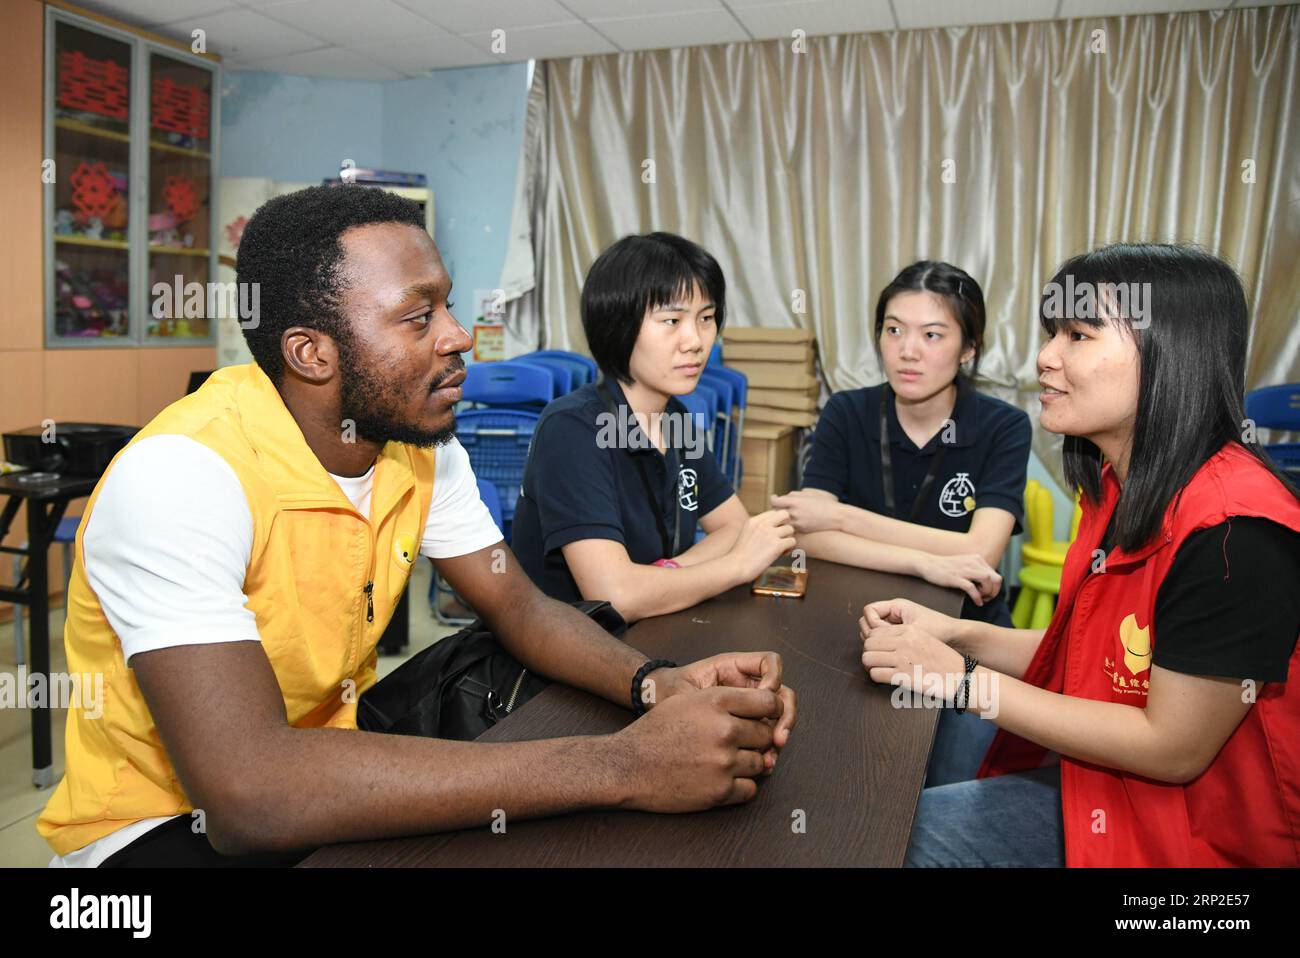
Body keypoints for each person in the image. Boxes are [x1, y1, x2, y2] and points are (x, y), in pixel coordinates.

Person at [38, 187, 796, 867]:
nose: (460, 336)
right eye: (418, 315)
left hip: (328, 756)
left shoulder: (415, 445)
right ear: (311, 353)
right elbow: (247, 796)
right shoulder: (183, 476)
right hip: (163, 823)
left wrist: (656, 685)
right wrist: (624, 767)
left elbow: (519, 608)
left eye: (449, 306)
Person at [860, 243, 1300, 867]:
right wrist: (956, 632)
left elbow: (1171, 747)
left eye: (1078, 335)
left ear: (1170, 355)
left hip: (1197, 846)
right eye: (1051, 334)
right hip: (1111, 795)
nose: (1045, 357)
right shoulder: (1119, 488)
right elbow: (1094, 655)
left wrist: (958, 678)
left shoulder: (1236, 532)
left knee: (901, 839)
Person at [773, 261, 1030, 784]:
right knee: (829, 770)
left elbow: (981, 552)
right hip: (852, 618)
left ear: (969, 349)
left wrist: (842, 516)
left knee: (949, 786)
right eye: (893, 330)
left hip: (965, 635)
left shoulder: (1003, 426)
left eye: (932, 335)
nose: (907, 350)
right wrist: (926, 559)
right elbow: (806, 535)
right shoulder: (847, 412)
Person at [512, 232, 795, 622]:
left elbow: (733, 527)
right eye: (672, 320)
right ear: (618, 326)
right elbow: (614, 596)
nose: (695, 340)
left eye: (707, 318)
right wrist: (736, 568)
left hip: (651, 635)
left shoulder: (675, 419)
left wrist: (667, 575)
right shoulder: (573, 429)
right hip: (565, 659)